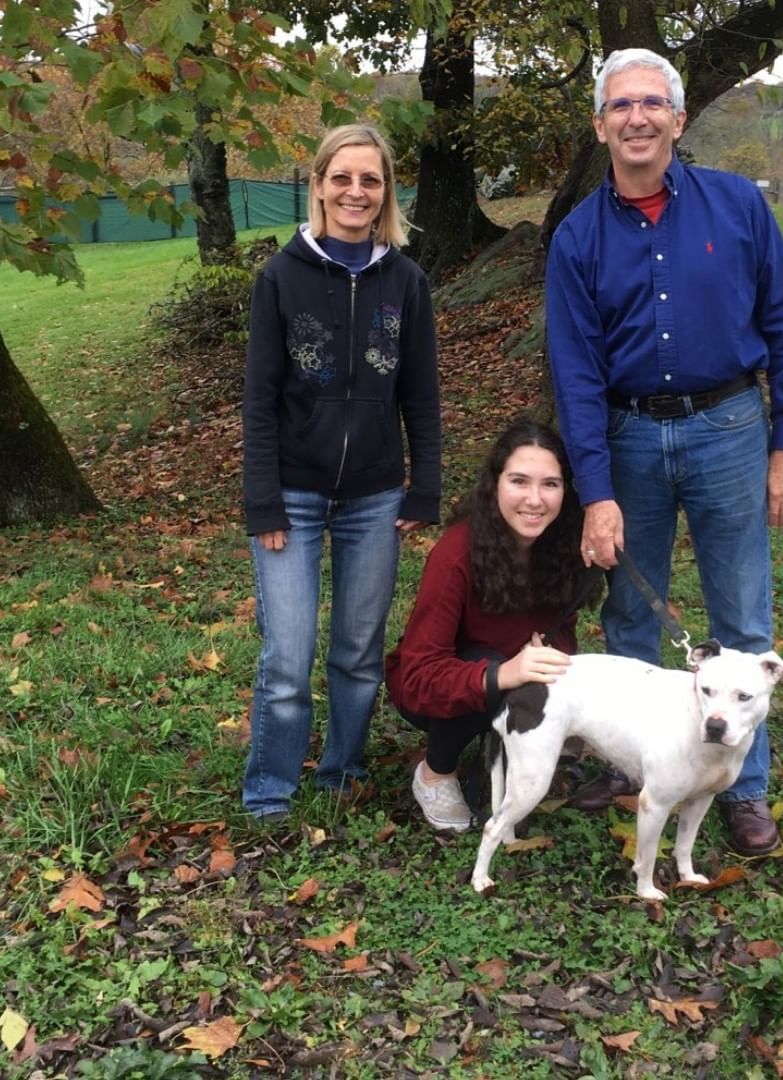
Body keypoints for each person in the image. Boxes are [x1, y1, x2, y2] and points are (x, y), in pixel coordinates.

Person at [544, 48, 783, 855]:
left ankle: (744, 785)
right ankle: (637, 766)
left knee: (741, 612)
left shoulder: (736, 207)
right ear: (600, 125)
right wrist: (595, 491)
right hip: (627, 434)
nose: (637, 118)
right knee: (631, 605)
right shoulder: (577, 239)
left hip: (730, 426)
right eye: (620, 106)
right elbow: (575, 374)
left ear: (678, 118)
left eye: (651, 104)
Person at [241, 123, 441, 822]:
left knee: (358, 652)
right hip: (291, 496)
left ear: (385, 192)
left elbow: (421, 393)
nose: (356, 192)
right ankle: (270, 787)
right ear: (320, 183)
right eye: (343, 178)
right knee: (287, 658)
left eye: (371, 180)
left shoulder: (406, 281)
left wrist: (425, 485)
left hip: (375, 496)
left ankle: (342, 770)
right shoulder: (280, 276)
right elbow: (259, 399)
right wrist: (262, 501)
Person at [385, 419, 593, 831]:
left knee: (542, 671)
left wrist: (551, 655)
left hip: (515, 677)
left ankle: (511, 748)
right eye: (519, 481)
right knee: (492, 664)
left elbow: (563, 630)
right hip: (436, 689)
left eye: (550, 484)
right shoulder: (457, 553)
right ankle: (435, 772)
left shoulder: (563, 546)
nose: (535, 500)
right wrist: (502, 673)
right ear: (495, 483)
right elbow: (418, 675)